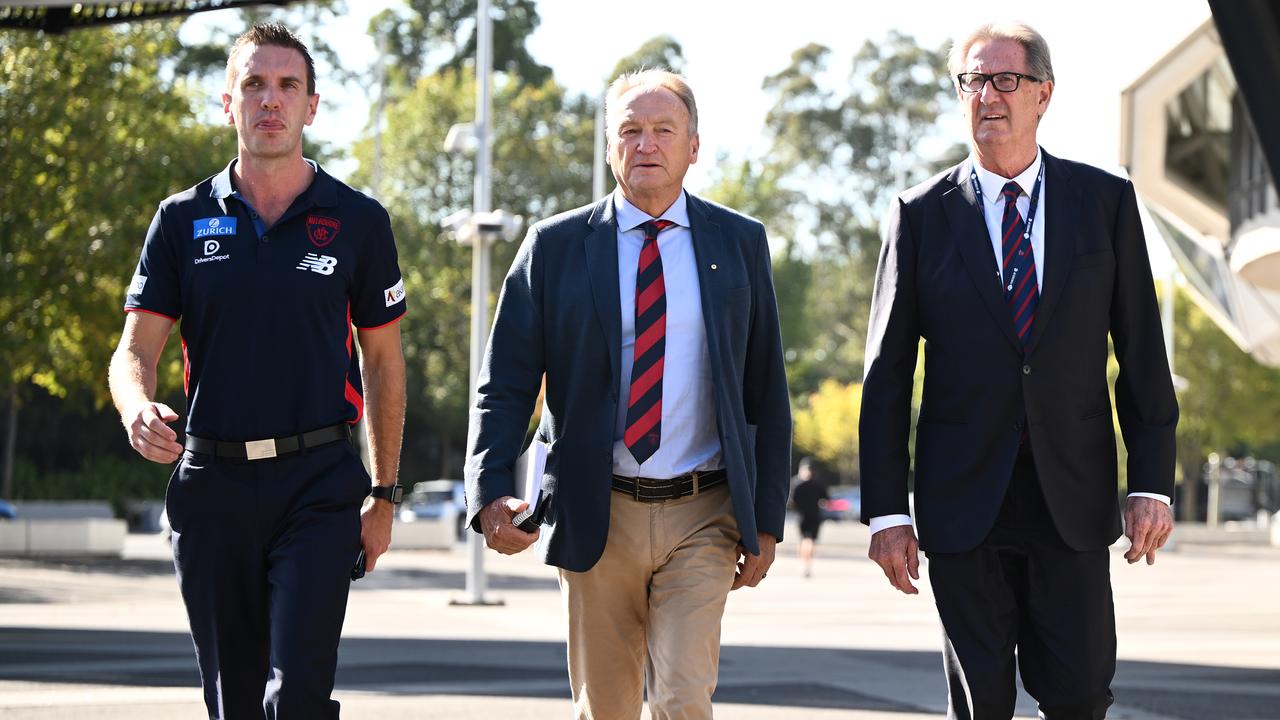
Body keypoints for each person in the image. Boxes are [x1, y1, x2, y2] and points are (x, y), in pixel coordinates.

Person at [859, 22, 1178, 720]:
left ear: (1044, 95)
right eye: (973, 81)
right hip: (963, 504)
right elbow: (886, 377)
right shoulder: (919, 216)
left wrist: (1152, 482)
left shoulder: (1105, 203)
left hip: (1073, 498)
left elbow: (1143, 359)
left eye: (1006, 80)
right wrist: (886, 510)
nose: (988, 96)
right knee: (982, 705)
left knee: (1081, 696)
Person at [464, 69, 791, 719]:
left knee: (682, 697)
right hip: (595, 509)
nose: (647, 144)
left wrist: (768, 518)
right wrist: (489, 484)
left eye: (663, 130)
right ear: (609, 148)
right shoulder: (554, 247)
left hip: (704, 510)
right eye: (630, 131)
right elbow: (505, 382)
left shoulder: (739, 242)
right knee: (606, 706)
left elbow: (765, 387)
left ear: (693, 146)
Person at [108, 23, 407, 718]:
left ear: (311, 106)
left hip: (319, 486)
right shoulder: (180, 220)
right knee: (234, 704)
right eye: (254, 85)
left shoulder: (359, 221)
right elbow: (134, 353)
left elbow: (384, 364)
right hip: (212, 487)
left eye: (287, 86)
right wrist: (135, 409)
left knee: (297, 697)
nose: (269, 100)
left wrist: (386, 494)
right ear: (227, 103)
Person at [789, 457, 828, 577]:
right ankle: (806, 565)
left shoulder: (796, 483)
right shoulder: (816, 483)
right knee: (808, 541)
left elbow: (790, 501)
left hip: (807, 516)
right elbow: (825, 500)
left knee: (806, 541)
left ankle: (806, 564)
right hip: (809, 516)